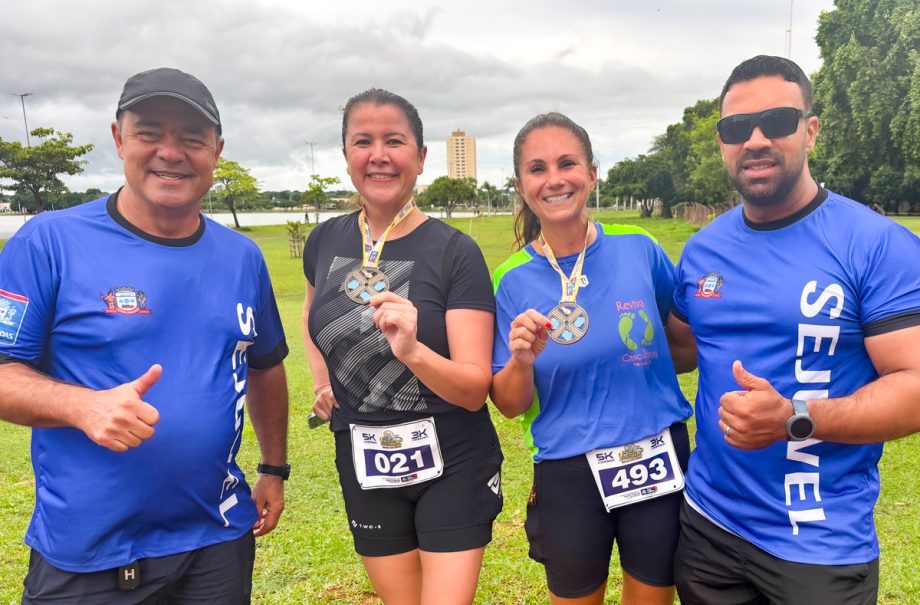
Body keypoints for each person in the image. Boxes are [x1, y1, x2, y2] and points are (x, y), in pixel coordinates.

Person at [0, 67, 290, 604]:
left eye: (192, 139)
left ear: (217, 151)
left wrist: (273, 467)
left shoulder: (242, 257)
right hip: (90, 554)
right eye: (150, 132)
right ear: (118, 138)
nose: (170, 152)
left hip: (217, 541)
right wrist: (81, 405)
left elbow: (266, 364)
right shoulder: (50, 241)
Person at [669, 55, 920, 604]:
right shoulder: (703, 250)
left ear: (810, 130)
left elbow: (916, 387)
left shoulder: (876, 244)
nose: (755, 139)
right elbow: (681, 350)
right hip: (708, 527)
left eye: (777, 121)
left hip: (818, 544)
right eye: (736, 128)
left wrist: (794, 419)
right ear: (722, 143)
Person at [302, 88, 502, 605]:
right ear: (346, 155)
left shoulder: (455, 251)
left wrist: (412, 350)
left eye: (394, 141)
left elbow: (475, 389)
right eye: (362, 141)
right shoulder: (324, 240)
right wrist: (323, 382)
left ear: (420, 156)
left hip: (452, 458)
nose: (379, 155)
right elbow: (310, 317)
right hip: (362, 455)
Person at [490, 112, 695, 605]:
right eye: (537, 169)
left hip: (656, 455)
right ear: (521, 185)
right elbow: (510, 404)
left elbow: (684, 347)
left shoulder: (639, 248)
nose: (555, 179)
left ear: (592, 173)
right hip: (568, 469)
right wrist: (520, 360)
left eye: (568, 163)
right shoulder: (510, 279)